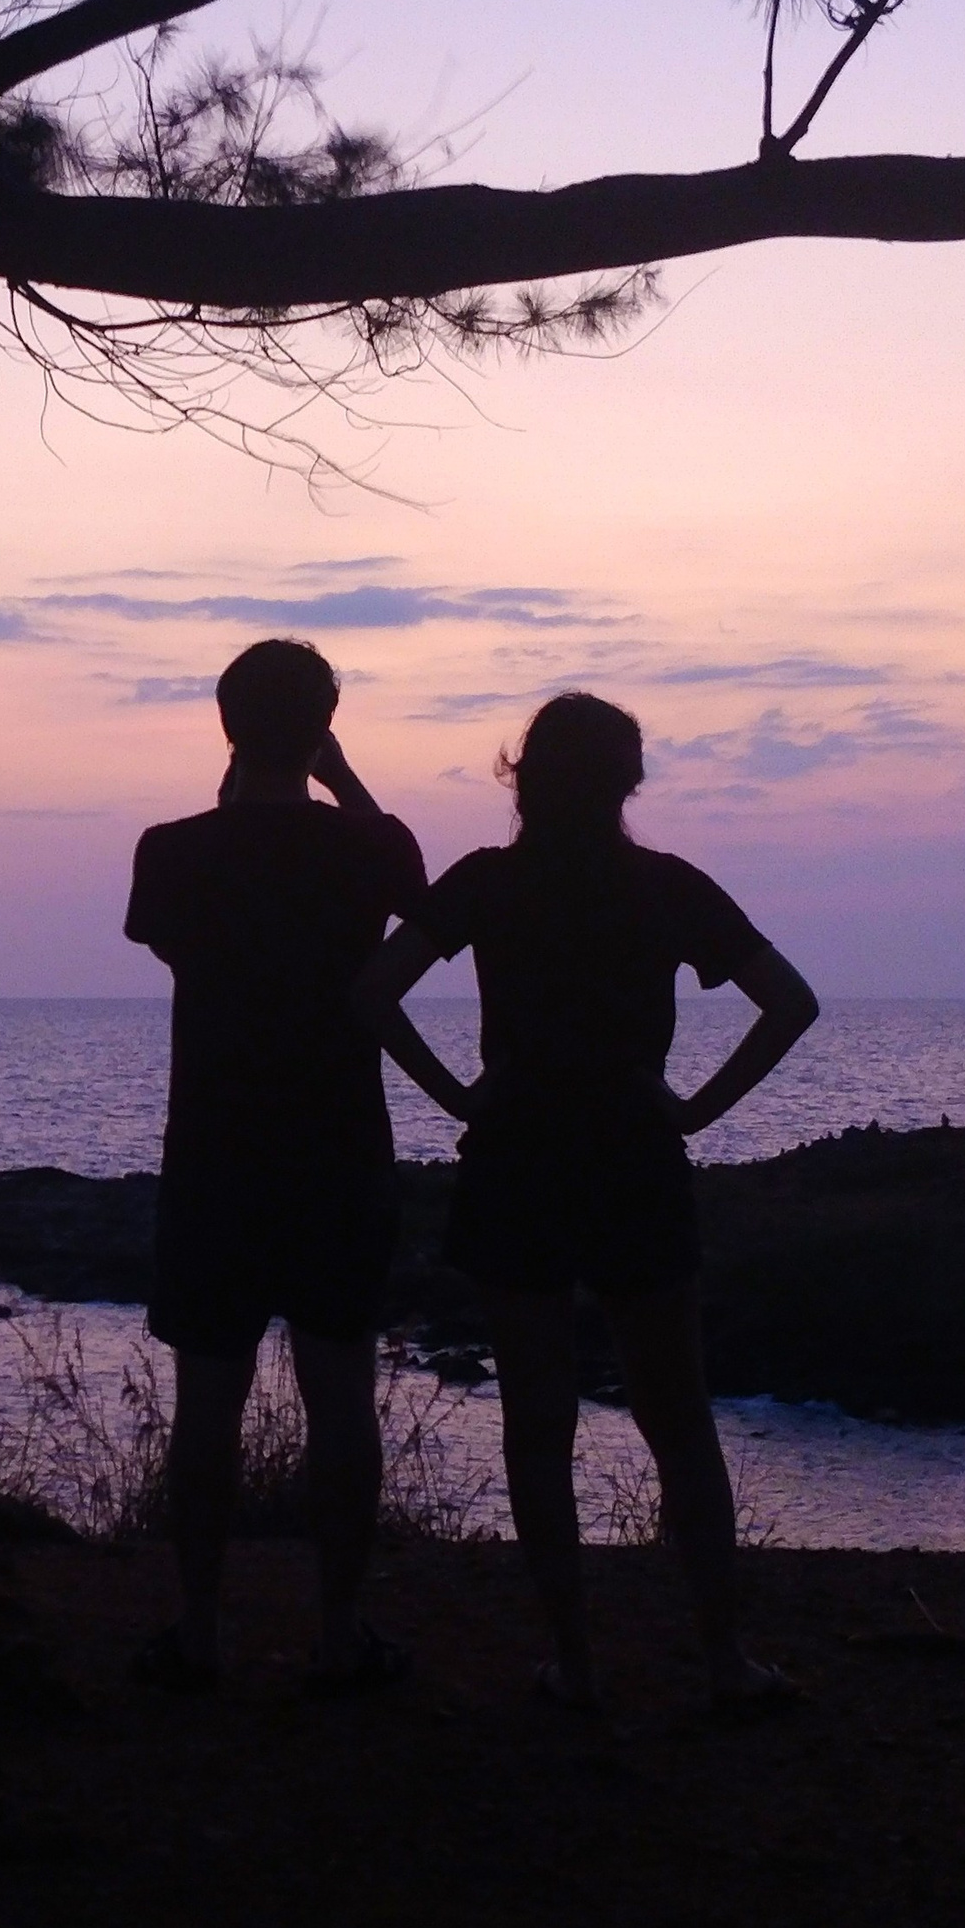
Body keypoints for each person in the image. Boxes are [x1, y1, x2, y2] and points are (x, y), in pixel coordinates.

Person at [353, 692, 818, 1716]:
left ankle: (575, 1661)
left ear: (521, 775)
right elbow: (790, 1002)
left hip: (517, 1158)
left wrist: (461, 1098)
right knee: (678, 1417)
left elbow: (370, 989)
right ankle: (723, 1657)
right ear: (628, 782)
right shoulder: (666, 887)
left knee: (537, 1422)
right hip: (632, 1159)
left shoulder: (486, 883)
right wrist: (690, 1111)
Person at [123, 638, 427, 1691]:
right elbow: (404, 888)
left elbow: (172, 941)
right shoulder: (370, 848)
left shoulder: (169, 851)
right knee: (341, 1400)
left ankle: (200, 1632)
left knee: (206, 1405)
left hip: (213, 1157)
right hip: (339, 1151)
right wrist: (339, 779)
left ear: (224, 724)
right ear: (323, 727)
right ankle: (339, 1635)